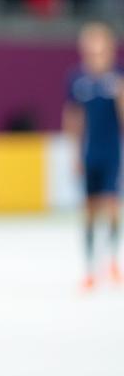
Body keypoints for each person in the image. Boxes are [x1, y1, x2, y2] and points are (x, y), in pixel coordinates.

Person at [64, 21, 123, 289]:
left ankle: (111, 260)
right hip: (90, 152)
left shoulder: (117, 79)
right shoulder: (78, 80)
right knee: (88, 210)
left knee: (111, 206)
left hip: (111, 152)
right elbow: (74, 118)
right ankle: (89, 268)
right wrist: (74, 152)